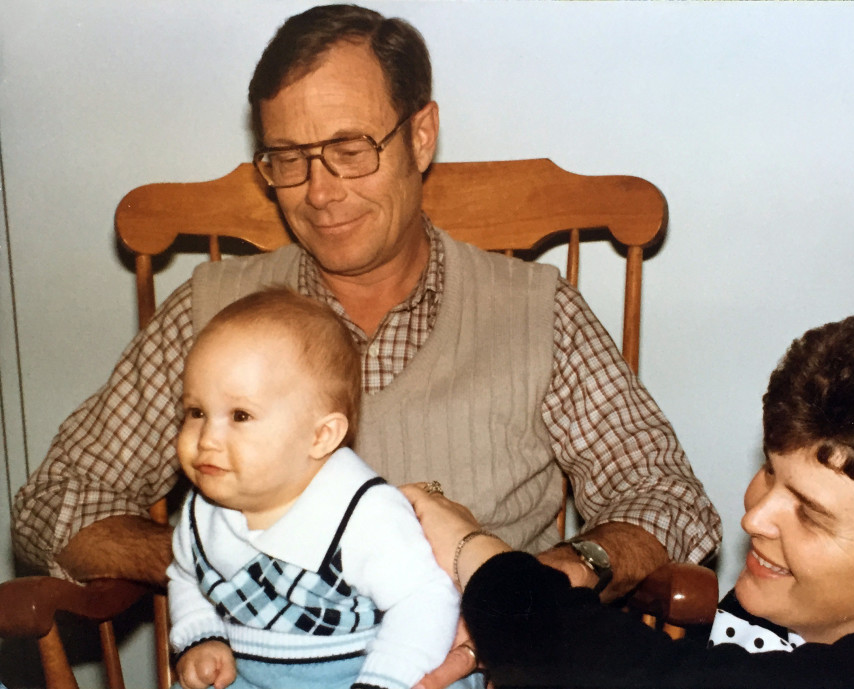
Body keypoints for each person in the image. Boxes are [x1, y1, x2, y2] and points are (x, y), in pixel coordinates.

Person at [13, 2, 719, 684]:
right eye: (288, 158)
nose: (320, 193)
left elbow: (668, 499)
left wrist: (550, 574)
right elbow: (59, 499)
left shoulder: (537, 312)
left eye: (350, 150)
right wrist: (221, 551)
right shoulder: (214, 314)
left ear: (420, 135)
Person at [405, 301, 854, 689]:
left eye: (808, 513)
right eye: (771, 473)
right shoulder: (795, 602)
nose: (756, 516)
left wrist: (478, 556)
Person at [168, 289, 459, 689]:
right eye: (196, 412)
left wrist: (384, 681)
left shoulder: (362, 514)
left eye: (240, 415)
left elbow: (424, 599)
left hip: (365, 669)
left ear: (321, 436)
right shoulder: (202, 512)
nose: (206, 439)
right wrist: (201, 635)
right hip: (248, 675)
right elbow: (186, 575)